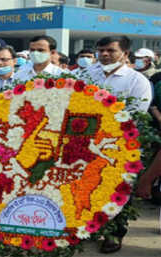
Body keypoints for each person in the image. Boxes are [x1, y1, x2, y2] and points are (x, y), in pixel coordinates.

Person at [80, 35, 152, 253]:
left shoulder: (136, 81)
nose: (104, 54)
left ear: (125, 54)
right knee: (88, 188)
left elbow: (136, 116)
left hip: (119, 146)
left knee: (116, 191)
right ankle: (88, 228)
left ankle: (114, 234)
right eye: (100, 50)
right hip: (84, 144)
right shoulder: (85, 74)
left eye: (110, 50)